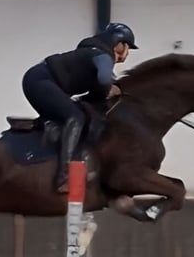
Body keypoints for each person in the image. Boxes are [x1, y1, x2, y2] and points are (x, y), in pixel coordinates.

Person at [21, 22, 138, 193]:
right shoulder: (103, 56)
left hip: (38, 79)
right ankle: (64, 175)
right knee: (75, 117)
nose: (126, 54)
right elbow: (104, 79)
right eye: (127, 47)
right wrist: (108, 90)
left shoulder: (94, 52)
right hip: (40, 81)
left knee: (70, 114)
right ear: (118, 44)